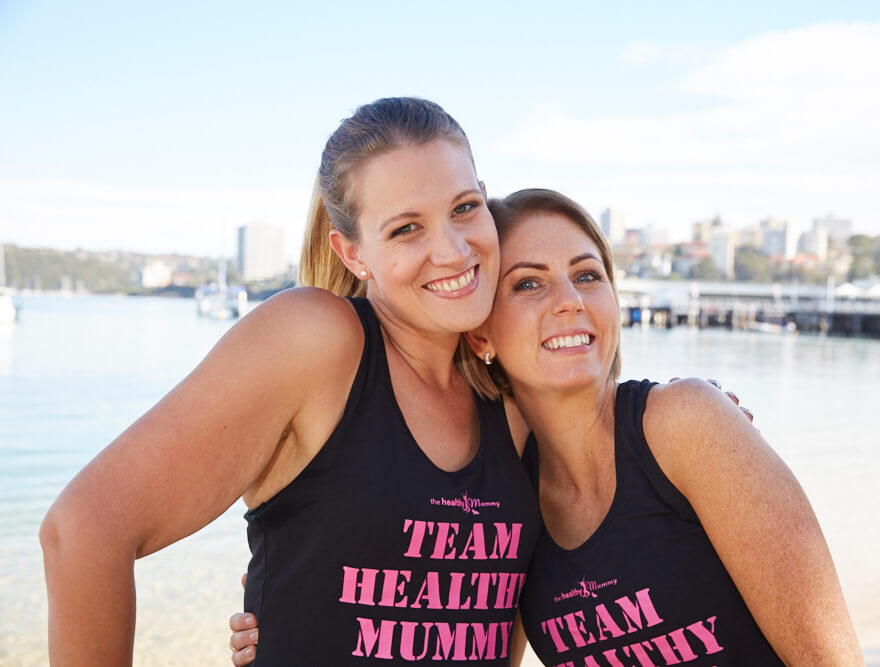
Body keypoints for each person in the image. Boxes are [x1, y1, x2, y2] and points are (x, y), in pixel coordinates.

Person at [232, 189, 863, 666]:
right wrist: (292, 619)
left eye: (588, 275)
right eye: (529, 283)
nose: (570, 300)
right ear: (479, 331)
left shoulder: (685, 425)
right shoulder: (507, 505)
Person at [40, 97, 542, 666]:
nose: (451, 249)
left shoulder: (510, 398)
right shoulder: (317, 341)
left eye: (464, 207)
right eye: (406, 228)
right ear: (353, 254)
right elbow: (81, 529)